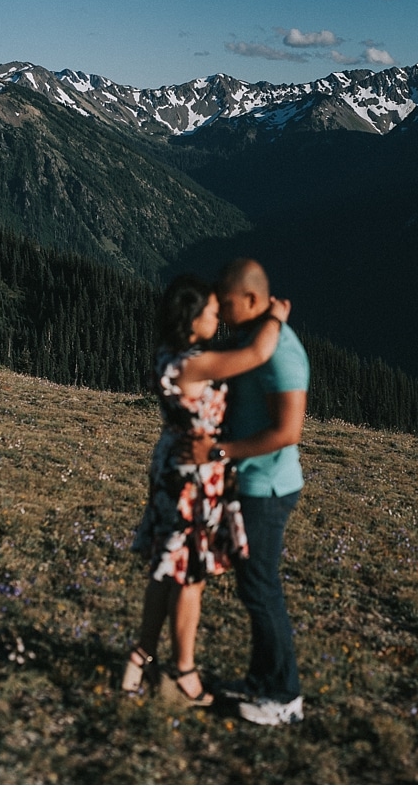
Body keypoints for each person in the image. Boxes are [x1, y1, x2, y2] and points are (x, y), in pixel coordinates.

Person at [122, 274, 290, 706]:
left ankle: (140, 656)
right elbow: (257, 352)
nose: (219, 318)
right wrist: (275, 315)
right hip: (192, 475)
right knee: (189, 575)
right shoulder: (195, 364)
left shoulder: (171, 355)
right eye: (212, 312)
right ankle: (184, 674)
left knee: (166, 565)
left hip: (171, 464)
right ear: (192, 319)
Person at [208, 258, 311, 727]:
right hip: (250, 482)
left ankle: (285, 695)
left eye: (225, 302)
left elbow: (288, 430)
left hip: (266, 488)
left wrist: (223, 452)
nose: (219, 309)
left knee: (261, 587)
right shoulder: (255, 338)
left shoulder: (283, 353)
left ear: (250, 300)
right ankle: (261, 680)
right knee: (254, 587)